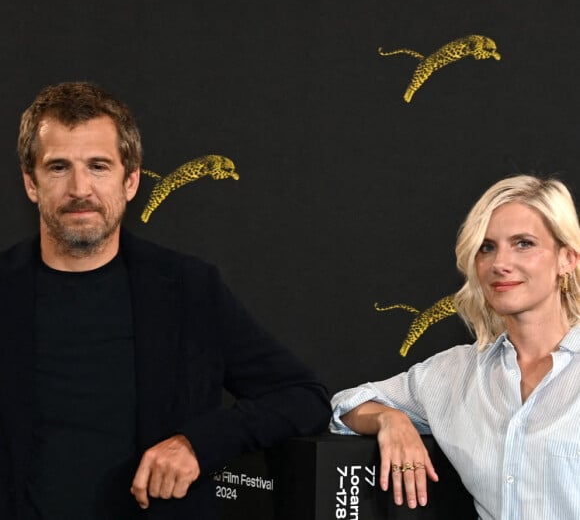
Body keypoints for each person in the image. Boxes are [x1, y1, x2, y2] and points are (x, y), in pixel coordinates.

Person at [0, 81, 331, 519]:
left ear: (131, 180)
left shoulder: (189, 289)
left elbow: (302, 397)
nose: (80, 188)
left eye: (99, 166)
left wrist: (197, 443)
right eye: (59, 167)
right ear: (31, 183)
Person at [330, 174, 580, 519]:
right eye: (486, 247)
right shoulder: (455, 373)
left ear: (567, 258)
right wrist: (391, 419)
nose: (499, 263)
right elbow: (347, 405)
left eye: (523, 243)